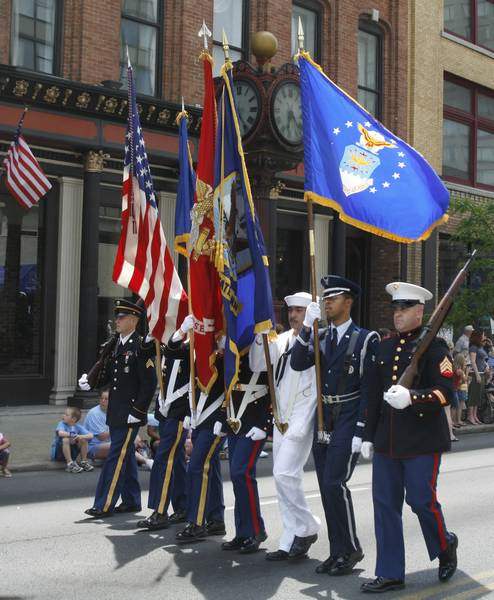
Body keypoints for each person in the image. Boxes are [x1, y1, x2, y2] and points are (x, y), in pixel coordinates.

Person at [360, 282, 457, 594]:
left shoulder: (436, 348)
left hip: (422, 442)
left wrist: (413, 397)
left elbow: (446, 394)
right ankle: (390, 573)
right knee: (385, 506)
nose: (398, 314)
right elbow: (373, 395)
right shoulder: (385, 346)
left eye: (404, 309)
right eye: (395, 308)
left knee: (420, 500)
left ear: (420, 311)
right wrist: (366, 434)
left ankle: (445, 545)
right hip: (388, 441)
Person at [291, 275, 379, 576]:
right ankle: (336, 550)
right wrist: (306, 329)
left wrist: (361, 431)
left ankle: (351, 548)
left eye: (334, 298)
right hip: (324, 418)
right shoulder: (321, 335)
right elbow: (298, 362)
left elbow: (370, 388)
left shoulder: (366, 339)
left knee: (334, 483)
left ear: (349, 301)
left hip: (349, 417)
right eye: (325, 298)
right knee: (326, 488)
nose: (327, 302)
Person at [250, 291, 321, 562]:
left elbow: (314, 387)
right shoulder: (281, 339)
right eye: (291, 311)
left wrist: (304, 423)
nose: (293, 316)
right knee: (283, 481)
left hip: (301, 416)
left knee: (283, 474)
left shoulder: (317, 339)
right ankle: (292, 535)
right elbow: (259, 364)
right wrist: (260, 336)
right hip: (280, 418)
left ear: (311, 312)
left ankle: (308, 526)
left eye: (300, 311)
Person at [79, 298, 157, 518]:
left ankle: (104, 504)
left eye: (121, 317)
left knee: (116, 456)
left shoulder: (140, 347)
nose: (117, 320)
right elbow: (110, 376)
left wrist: (138, 411)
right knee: (127, 456)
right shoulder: (116, 344)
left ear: (133, 320)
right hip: (116, 411)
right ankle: (131, 500)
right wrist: (91, 380)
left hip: (130, 414)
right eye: (117, 317)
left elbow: (149, 384)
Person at [137, 316, 191, 532]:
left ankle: (160, 511)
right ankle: (183, 505)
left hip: (180, 411)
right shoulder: (168, 344)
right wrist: (151, 335)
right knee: (176, 459)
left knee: (164, 458)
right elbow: (144, 353)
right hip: (165, 408)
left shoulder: (190, 346)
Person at [176, 337, 226, 543]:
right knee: (211, 467)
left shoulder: (224, 351)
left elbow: (232, 384)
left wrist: (223, 418)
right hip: (199, 418)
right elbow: (172, 352)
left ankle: (197, 523)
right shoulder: (196, 347)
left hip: (215, 419)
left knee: (197, 466)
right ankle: (216, 518)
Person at [221, 352, 271, 554]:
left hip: (254, 423)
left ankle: (256, 530)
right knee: (236, 476)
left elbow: (274, 387)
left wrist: (265, 424)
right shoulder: (232, 351)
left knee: (242, 473)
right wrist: (222, 417)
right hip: (236, 421)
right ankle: (243, 532)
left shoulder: (265, 347)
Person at [50, 407, 94, 473]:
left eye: (66, 415)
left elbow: (91, 435)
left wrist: (80, 436)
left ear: (73, 419)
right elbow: (60, 433)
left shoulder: (78, 426)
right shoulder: (62, 424)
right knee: (66, 439)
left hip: (72, 452)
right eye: (64, 414)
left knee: (83, 440)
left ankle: (84, 462)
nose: (63, 416)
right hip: (58, 453)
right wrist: (72, 435)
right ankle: (70, 464)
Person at [84, 388, 112, 461]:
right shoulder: (94, 413)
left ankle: (142, 458)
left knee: (133, 439)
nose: (103, 401)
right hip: (93, 447)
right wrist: (119, 430)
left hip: (108, 444)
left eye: (106, 399)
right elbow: (102, 437)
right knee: (119, 446)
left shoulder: (114, 412)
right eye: (101, 398)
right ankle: (143, 459)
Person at [452, 354, 468, 428]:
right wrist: (466, 372)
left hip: (453, 388)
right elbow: (464, 380)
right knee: (455, 406)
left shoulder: (454, 368)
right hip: (454, 389)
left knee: (454, 406)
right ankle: (452, 422)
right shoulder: (460, 371)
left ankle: (454, 422)